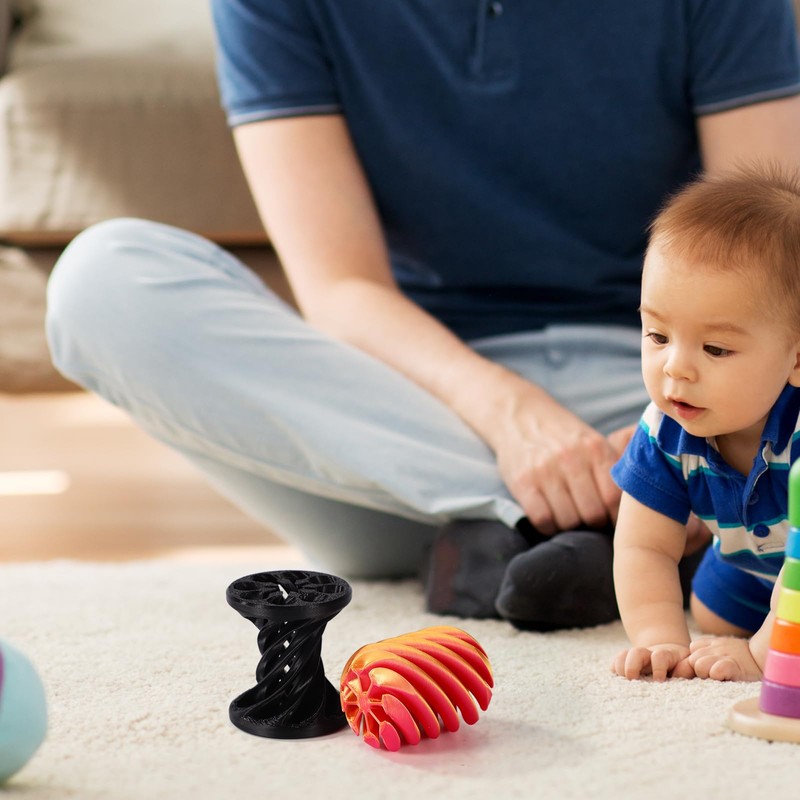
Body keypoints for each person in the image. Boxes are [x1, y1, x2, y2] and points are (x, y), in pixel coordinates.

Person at [44, 2, 800, 630]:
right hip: (405, 413)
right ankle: (624, 528)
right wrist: (512, 417)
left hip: (666, 391)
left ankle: (545, 535)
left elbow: (768, 271)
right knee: (103, 281)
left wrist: (662, 432)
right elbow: (340, 285)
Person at [611, 165, 800, 682]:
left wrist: (762, 656)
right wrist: (659, 638)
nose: (676, 367)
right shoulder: (663, 431)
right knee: (709, 611)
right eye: (657, 336)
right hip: (748, 570)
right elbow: (642, 546)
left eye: (715, 347)